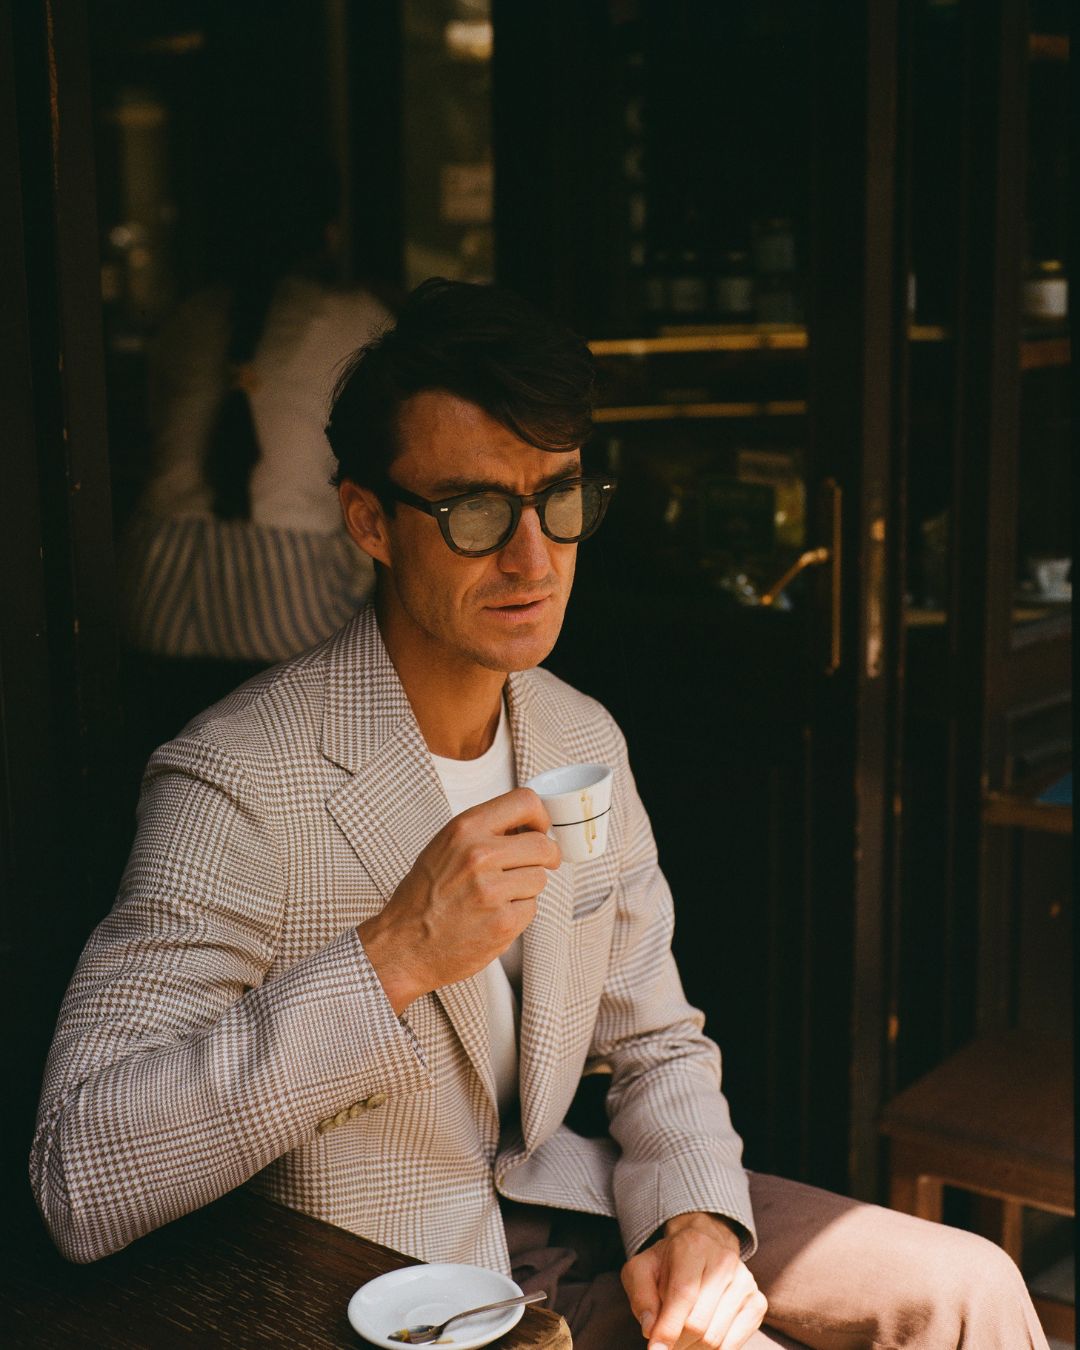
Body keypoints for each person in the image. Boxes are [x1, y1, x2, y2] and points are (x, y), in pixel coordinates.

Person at [33, 280, 1049, 1350]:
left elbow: (655, 1039)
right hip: (395, 1274)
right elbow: (80, 1176)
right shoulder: (238, 777)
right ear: (370, 520)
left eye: (558, 499)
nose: (532, 558)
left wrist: (695, 1216)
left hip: (576, 1207)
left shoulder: (577, 739)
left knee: (971, 1286)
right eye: (475, 511)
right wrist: (391, 957)